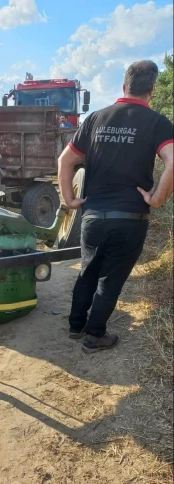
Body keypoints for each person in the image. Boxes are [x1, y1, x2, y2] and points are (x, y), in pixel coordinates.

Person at [58, 60, 173, 354]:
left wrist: (69, 200)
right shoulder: (157, 123)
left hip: (93, 216)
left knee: (88, 271)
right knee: (110, 279)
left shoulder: (95, 118)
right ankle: (95, 335)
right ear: (152, 90)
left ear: (124, 86)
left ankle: (75, 326)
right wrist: (158, 198)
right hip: (130, 218)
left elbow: (65, 161)